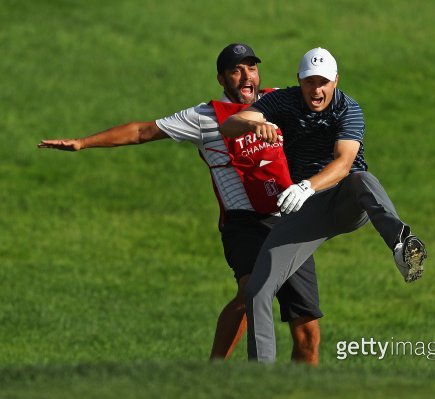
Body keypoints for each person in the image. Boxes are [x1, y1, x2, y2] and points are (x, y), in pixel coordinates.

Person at [38, 43, 322, 365]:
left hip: (288, 220)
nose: (246, 75)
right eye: (236, 70)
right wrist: (83, 143)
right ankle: (213, 373)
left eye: (251, 68)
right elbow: (143, 131)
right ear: (221, 79)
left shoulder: (278, 102)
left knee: (308, 333)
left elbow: (321, 105)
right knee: (250, 295)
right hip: (243, 223)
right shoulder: (204, 117)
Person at [219, 47, 428, 362]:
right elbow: (230, 125)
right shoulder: (283, 101)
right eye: (309, 82)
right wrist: (251, 123)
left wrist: (307, 185)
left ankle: (400, 244)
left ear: (336, 81)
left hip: (345, 202)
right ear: (299, 81)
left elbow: (344, 164)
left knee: (362, 179)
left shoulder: (348, 109)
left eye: (324, 82)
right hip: (307, 212)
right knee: (257, 291)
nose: (316, 90)